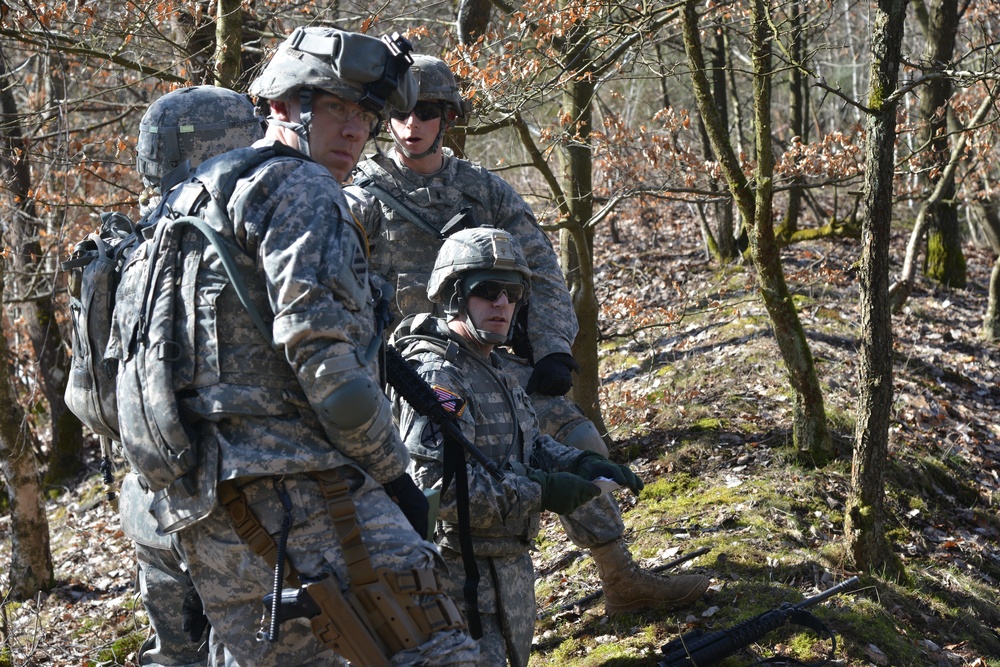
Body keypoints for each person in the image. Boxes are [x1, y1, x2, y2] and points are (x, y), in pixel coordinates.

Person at [112, 27, 478, 667]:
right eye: (336, 108)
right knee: (437, 647)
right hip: (306, 489)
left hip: (206, 509)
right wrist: (395, 478)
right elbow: (322, 356)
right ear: (281, 106)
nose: (354, 131)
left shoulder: (185, 205)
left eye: (364, 114)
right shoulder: (298, 186)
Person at [347, 54, 709, 615]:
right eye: (401, 112)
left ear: (449, 117)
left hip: (481, 354)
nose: (412, 124)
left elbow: (538, 269)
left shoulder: (482, 192)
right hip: (399, 373)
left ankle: (620, 577)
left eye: (429, 111)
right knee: (435, 479)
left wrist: (552, 348)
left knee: (572, 436)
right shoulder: (360, 196)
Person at [390, 227, 669, 665]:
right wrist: (541, 492)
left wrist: (579, 462)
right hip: (456, 584)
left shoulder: (493, 364)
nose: (502, 303)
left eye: (513, 292)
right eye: (487, 291)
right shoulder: (437, 375)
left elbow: (527, 442)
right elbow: (437, 487)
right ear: (454, 295)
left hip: (508, 571)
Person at [103, 85, 264, 667]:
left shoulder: (128, 249)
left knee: (178, 653)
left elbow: (96, 401)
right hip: (234, 494)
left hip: (150, 490)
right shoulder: (230, 234)